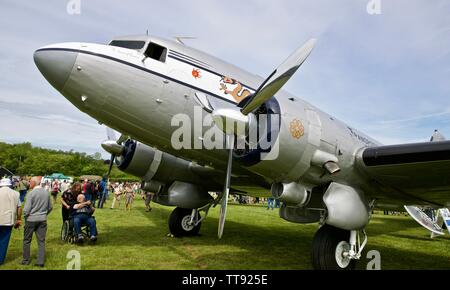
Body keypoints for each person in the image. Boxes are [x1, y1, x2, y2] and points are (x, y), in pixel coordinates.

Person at [22, 179, 52, 267]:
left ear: (34, 183)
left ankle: (26, 260)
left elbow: (26, 209)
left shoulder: (31, 193)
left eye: (30, 182)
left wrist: (26, 216)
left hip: (31, 219)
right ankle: (40, 262)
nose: (29, 183)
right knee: (41, 241)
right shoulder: (46, 193)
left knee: (27, 240)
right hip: (42, 220)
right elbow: (50, 207)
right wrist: (44, 214)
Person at [0, 178, 22, 265]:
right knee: (4, 240)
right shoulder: (16, 193)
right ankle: (0, 259)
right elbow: (19, 207)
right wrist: (19, 219)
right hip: (8, 220)